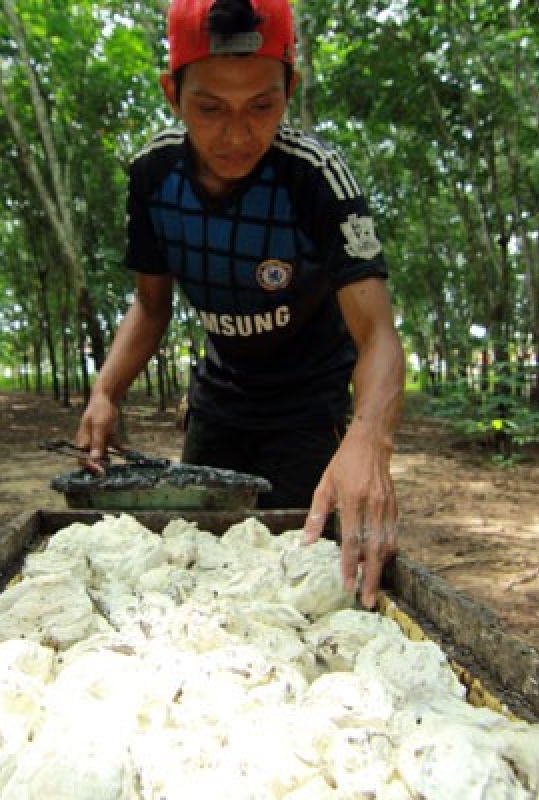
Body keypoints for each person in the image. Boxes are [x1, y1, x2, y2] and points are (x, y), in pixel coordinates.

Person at [75, 0, 405, 608]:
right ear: (171, 93)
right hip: (218, 407)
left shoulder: (316, 178)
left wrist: (369, 439)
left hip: (311, 411)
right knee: (194, 573)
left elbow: (378, 333)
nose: (236, 134)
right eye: (209, 109)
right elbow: (151, 308)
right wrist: (106, 393)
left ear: (291, 88)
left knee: (308, 587)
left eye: (262, 106)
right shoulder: (154, 175)